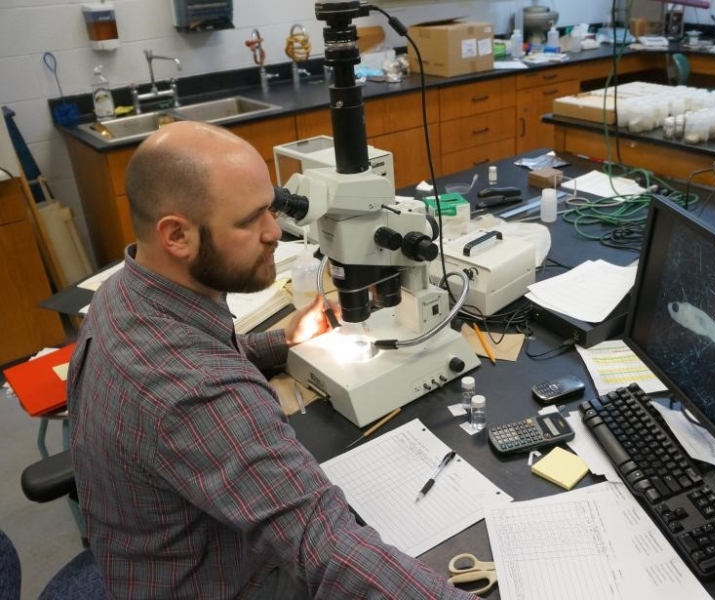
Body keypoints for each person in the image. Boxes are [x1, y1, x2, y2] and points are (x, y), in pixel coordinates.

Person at [67, 121, 475, 599]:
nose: (274, 233)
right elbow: (326, 548)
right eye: (250, 220)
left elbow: (200, 351)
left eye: (272, 208)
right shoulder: (198, 391)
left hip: (148, 556)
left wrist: (281, 341)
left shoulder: (126, 289)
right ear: (177, 235)